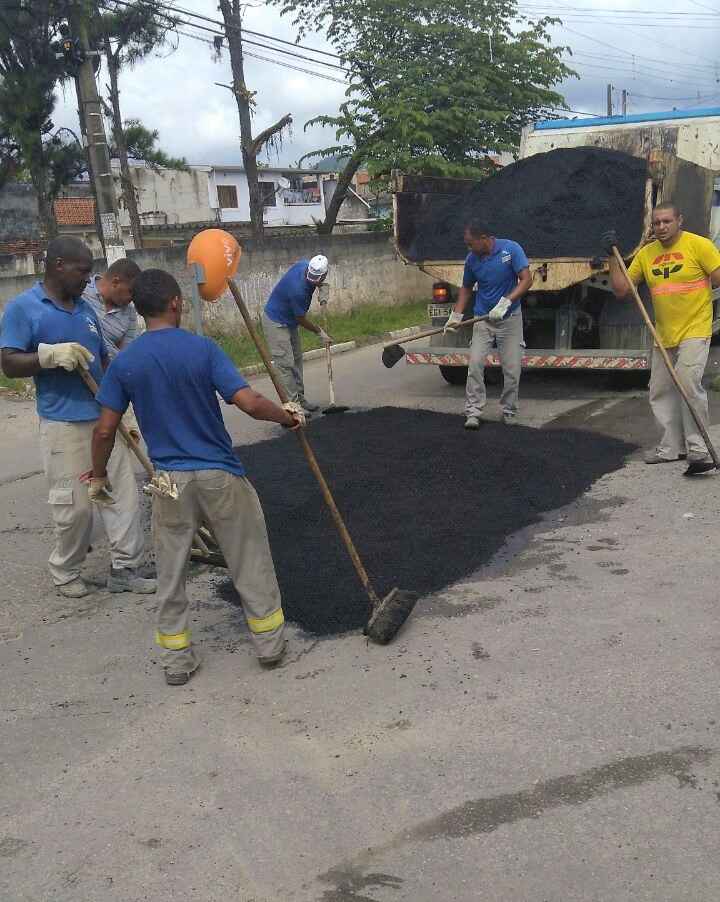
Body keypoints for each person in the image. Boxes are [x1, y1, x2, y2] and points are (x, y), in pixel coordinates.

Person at [91, 269, 305, 685]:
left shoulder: (125, 363)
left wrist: (97, 476)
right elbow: (249, 401)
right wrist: (288, 416)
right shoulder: (202, 350)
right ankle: (270, 646)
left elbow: (104, 429)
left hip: (170, 481)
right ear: (175, 303)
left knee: (171, 571)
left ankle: (176, 661)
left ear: (139, 309)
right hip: (218, 474)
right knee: (248, 558)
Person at [0, 238, 155, 598]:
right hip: (63, 424)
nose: (88, 280)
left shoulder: (85, 311)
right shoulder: (25, 308)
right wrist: (48, 356)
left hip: (103, 417)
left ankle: (125, 568)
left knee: (123, 498)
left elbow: (103, 362)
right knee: (75, 508)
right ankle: (66, 571)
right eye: (82, 271)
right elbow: (7, 362)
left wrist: (122, 411)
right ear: (58, 265)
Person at [603, 203, 720, 474]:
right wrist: (611, 256)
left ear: (680, 220)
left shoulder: (698, 246)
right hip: (663, 333)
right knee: (660, 391)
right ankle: (671, 448)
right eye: (656, 223)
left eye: (667, 221)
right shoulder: (647, 254)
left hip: (695, 328)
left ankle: (699, 450)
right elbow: (622, 290)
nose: (662, 227)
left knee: (688, 384)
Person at [445, 221, 532, 429]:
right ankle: (473, 412)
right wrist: (456, 315)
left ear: (484, 239)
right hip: (483, 319)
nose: (469, 248)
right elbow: (466, 288)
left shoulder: (511, 249)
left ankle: (509, 410)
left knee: (512, 370)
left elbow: (527, 280)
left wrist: (506, 302)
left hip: (509, 319)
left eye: (470, 244)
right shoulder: (472, 260)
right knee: (475, 365)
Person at [262, 254, 332, 413]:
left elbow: (320, 282)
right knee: (285, 364)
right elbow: (300, 318)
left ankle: (301, 399)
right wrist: (320, 332)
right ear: (308, 271)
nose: (312, 280)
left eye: (317, 278)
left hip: (289, 321)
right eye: (312, 277)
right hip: (276, 322)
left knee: (297, 360)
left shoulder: (306, 264)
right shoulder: (298, 290)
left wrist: (323, 292)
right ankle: (294, 407)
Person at [83, 257, 142, 360]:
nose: (132, 299)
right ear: (115, 282)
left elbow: (128, 354)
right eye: (130, 292)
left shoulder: (129, 312)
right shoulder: (82, 291)